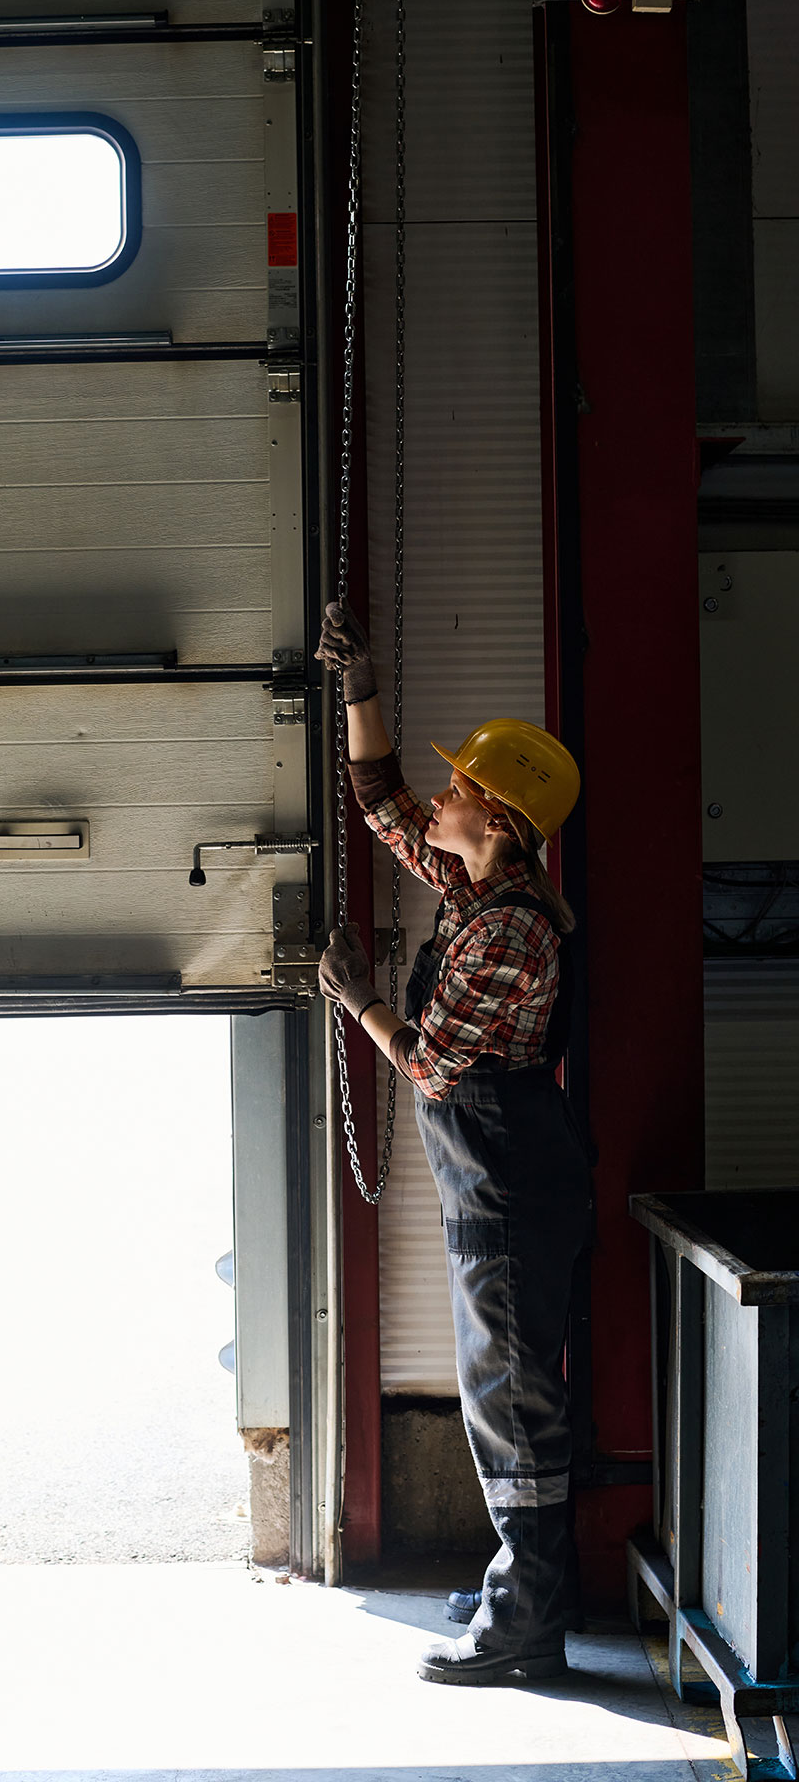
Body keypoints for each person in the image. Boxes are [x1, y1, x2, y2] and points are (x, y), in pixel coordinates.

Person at [315, 600, 592, 1686]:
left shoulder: (510, 926)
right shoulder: (481, 889)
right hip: (499, 1178)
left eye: (462, 792)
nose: (443, 797)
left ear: (501, 824)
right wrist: (358, 686)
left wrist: (358, 1000)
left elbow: (431, 1065)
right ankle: (517, 1595)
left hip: (514, 1188)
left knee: (514, 1403)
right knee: (501, 1392)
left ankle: (526, 1628)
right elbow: (382, 801)